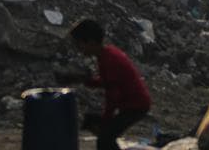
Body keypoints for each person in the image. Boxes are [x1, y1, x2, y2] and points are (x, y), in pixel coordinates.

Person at [60, 19, 151, 150]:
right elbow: (107, 82)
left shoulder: (109, 59)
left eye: (79, 44)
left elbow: (112, 93)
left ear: (91, 42)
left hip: (136, 105)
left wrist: (106, 119)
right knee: (106, 138)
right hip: (132, 104)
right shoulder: (106, 55)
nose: (78, 49)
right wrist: (84, 80)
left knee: (105, 139)